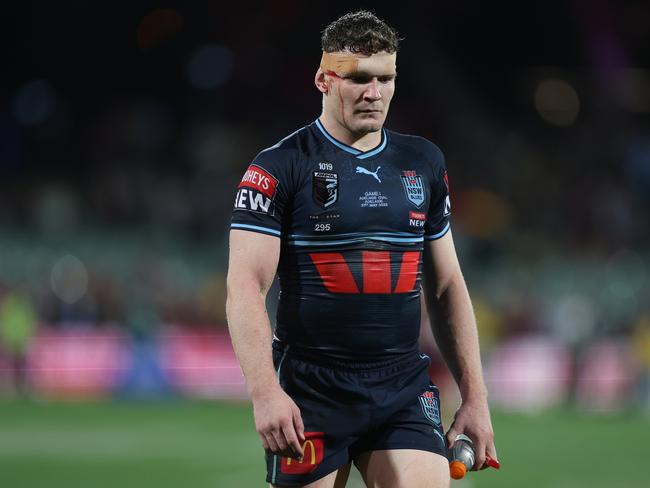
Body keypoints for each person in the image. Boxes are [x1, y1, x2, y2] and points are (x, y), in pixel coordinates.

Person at [226, 10, 497, 488]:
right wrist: (264, 392)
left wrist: (475, 398)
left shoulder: (424, 162)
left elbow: (447, 284)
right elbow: (245, 286)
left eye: (386, 78)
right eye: (359, 78)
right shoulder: (277, 168)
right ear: (323, 79)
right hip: (311, 388)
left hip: (402, 384)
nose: (375, 93)